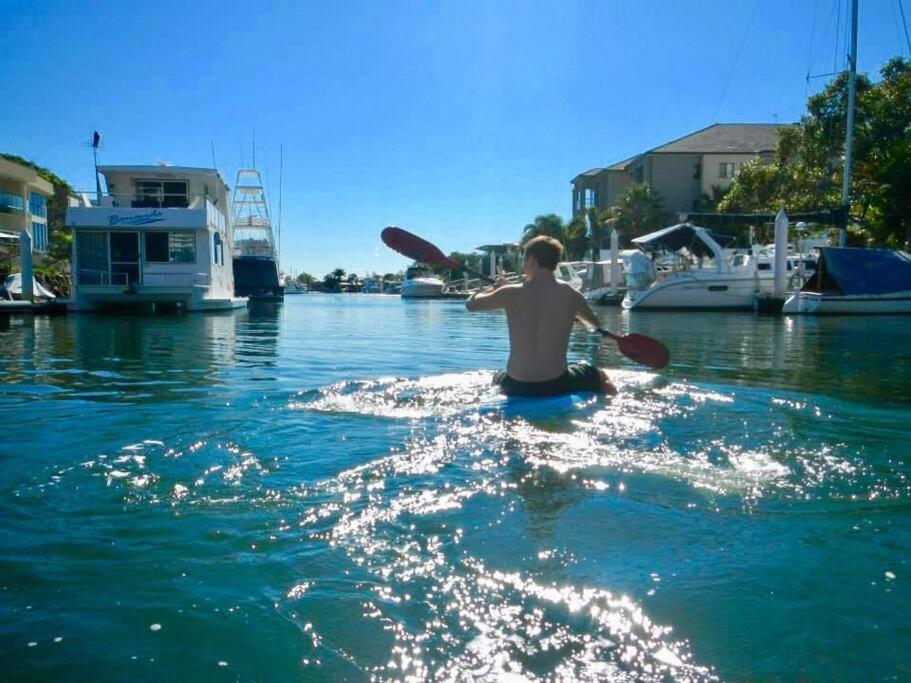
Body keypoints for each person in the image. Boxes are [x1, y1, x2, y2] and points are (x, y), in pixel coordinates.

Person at [466, 235, 616, 397]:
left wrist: (490, 290)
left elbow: (471, 305)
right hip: (556, 383)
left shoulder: (509, 293)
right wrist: (576, 320)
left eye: (524, 260)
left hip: (515, 384)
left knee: (498, 377)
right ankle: (614, 400)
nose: (523, 265)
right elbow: (594, 324)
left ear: (532, 260)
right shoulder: (571, 294)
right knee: (598, 374)